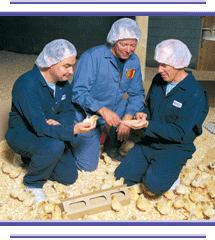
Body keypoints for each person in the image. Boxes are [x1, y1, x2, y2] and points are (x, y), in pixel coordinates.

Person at [5, 39, 97, 202]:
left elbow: (68, 110)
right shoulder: (26, 84)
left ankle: (30, 159)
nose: (71, 71)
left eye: (72, 65)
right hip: (23, 134)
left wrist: (60, 124)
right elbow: (40, 127)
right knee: (55, 145)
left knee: (69, 176)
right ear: (50, 63)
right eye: (67, 66)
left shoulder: (63, 84)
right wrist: (72, 130)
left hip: (49, 133)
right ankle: (32, 184)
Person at [114, 39, 209, 196]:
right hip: (151, 139)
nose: (159, 70)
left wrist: (146, 125)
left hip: (175, 146)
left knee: (154, 186)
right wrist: (143, 113)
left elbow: (179, 133)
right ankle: (157, 167)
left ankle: (171, 169)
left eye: (164, 65)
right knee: (121, 177)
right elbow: (149, 106)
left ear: (180, 64)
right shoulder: (159, 80)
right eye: (158, 64)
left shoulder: (195, 93)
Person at [71, 18, 145, 166]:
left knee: (137, 111)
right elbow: (78, 93)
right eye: (123, 44)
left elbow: (137, 94)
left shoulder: (133, 61)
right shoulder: (92, 57)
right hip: (88, 113)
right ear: (113, 40)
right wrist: (103, 110)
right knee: (87, 166)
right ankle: (69, 143)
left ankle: (111, 149)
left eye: (133, 45)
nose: (128, 50)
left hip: (114, 107)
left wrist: (128, 118)